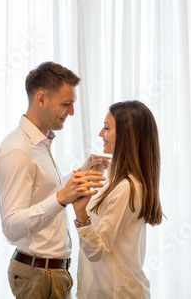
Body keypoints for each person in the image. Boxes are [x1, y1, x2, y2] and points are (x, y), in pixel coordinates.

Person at [0, 61, 108, 299]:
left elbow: (43, 192)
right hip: (38, 276)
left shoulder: (38, 145)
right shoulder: (18, 151)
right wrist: (62, 198)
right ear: (41, 99)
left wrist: (80, 173)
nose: (72, 112)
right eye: (66, 104)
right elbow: (11, 227)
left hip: (50, 274)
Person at [72, 100, 164, 298]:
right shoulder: (118, 182)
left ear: (126, 135)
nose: (100, 134)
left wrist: (80, 214)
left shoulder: (127, 188)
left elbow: (97, 251)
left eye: (106, 128)